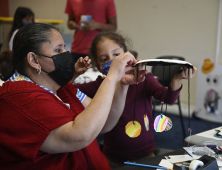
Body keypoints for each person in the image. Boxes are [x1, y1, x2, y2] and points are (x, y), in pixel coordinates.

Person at [0, 23, 145, 169]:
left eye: (64, 47)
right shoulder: (19, 97)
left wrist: (122, 84)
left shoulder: (61, 88)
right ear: (34, 60)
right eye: (58, 50)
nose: (66, 54)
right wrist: (112, 76)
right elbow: (79, 135)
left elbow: (104, 122)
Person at [76, 32, 196, 164]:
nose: (113, 61)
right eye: (104, 59)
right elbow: (70, 91)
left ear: (127, 55)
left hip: (146, 153)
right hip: (113, 156)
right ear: (98, 67)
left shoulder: (144, 80)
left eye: (116, 54)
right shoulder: (99, 85)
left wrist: (176, 79)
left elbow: (168, 99)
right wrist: (75, 73)